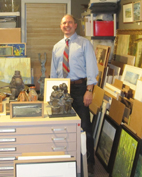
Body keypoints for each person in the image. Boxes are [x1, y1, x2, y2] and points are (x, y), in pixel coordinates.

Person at [50, 14, 98, 176]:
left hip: (79, 89)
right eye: (64, 23)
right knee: (63, 127)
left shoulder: (85, 44)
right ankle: (67, 159)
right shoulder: (57, 47)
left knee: (85, 128)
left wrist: (89, 91)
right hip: (61, 91)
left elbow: (92, 69)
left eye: (70, 22)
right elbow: (53, 73)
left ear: (75, 25)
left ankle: (89, 163)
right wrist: (52, 94)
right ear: (60, 26)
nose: (67, 25)